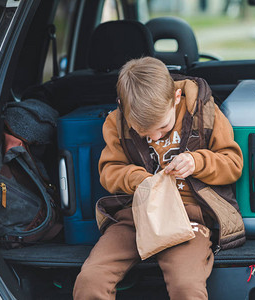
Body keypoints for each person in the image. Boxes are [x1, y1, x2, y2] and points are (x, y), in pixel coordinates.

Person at [73, 56, 245, 300]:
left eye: (163, 128)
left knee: (186, 285)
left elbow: (233, 164)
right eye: (143, 132)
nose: (153, 137)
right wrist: (138, 179)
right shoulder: (116, 123)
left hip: (188, 220)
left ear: (176, 98)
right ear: (122, 106)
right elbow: (109, 171)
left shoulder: (204, 113)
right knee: (91, 279)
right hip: (135, 216)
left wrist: (197, 162)